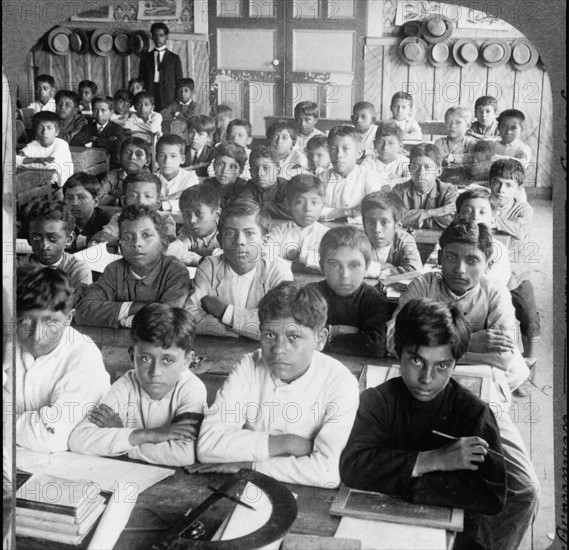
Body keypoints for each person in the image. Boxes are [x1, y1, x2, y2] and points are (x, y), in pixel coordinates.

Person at [340, 299, 507, 549]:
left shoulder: (474, 413)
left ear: (456, 362)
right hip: (379, 528)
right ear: (398, 351)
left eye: (442, 365)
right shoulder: (376, 400)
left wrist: (399, 479)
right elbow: (352, 466)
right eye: (416, 361)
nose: (426, 379)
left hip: (456, 538)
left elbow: (492, 494)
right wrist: (433, 460)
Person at [188, 281, 359, 488]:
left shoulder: (341, 383)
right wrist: (286, 443)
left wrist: (247, 465)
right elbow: (208, 446)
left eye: (293, 337)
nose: (278, 349)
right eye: (270, 335)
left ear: (320, 339)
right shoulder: (249, 366)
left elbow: (326, 472)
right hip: (245, 488)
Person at [69, 303, 206, 467]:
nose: (155, 372)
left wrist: (123, 439)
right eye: (146, 359)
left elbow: (185, 453)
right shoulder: (126, 385)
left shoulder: (191, 389)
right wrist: (147, 435)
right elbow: (78, 440)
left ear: (187, 361)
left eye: (168, 360)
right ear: (132, 355)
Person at [15, 268, 110, 452]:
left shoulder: (83, 355)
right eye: (25, 321)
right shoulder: (8, 343)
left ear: (68, 318)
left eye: (50, 322)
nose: (36, 335)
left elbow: (50, 438)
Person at [186, 200, 292, 340]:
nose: (239, 241)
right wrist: (240, 329)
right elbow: (190, 317)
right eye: (230, 233)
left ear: (264, 241)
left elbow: (280, 325)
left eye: (249, 233)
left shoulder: (278, 271)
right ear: (220, 239)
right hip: (219, 348)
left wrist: (225, 312)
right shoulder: (209, 267)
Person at [75, 205, 190, 328]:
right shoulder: (114, 270)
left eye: (146, 235)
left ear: (164, 244)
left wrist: (120, 314)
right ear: (120, 245)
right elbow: (83, 311)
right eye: (127, 237)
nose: (136, 243)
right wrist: (134, 307)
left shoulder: (175, 271)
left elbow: (168, 317)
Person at [489, 159, 539, 397]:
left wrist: (491, 219)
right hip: (492, 275)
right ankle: (503, 367)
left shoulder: (523, 209)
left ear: (518, 188)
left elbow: (520, 230)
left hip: (517, 274)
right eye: (497, 183)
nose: (501, 190)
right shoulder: (484, 203)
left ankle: (530, 363)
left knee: (528, 315)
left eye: (508, 185)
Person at [306, 225, 388, 357]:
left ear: (367, 266)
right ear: (322, 266)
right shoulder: (311, 294)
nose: (345, 275)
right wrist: (335, 331)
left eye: (354, 265)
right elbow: (300, 337)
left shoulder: (374, 299)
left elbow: (375, 347)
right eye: (334, 264)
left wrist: (325, 336)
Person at [320, 125, 388, 222]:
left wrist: (331, 213)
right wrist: (348, 212)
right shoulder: (322, 177)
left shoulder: (368, 176)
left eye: (345, 149)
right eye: (334, 149)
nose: (339, 155)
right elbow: (315, 211)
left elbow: (374, 209)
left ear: (359, 153)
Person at [22, 200, 92, 293]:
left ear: (69, 239)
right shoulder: (18, 267)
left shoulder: (78, 269)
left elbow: (81, 305)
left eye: (53, 238)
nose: (44, 245)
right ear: (28, 239)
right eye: (36, 237)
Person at [90, 172, 177, 246]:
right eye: (133, 196)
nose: (140, 201)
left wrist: (118, 242)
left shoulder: (166, 220)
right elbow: (101, 238)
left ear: (157, 204)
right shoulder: (119, 219)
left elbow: (166, 248)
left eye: (148, 196)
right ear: (124, 201)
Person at [266, 174, 329, 272]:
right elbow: (266, 257)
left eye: (314, 202)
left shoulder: (327, 235)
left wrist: (299, 256)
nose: (307, 208)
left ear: (322, 205)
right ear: (288, 204)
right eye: (299, 202)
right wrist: (304, 265)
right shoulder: (278, 232)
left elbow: (331, 264)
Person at [455, 187, 511, 288]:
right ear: (457, 217)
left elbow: (496, 286)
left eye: (482, 212)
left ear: (493, 221)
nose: (475, 217)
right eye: (468, 211)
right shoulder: (448, 244)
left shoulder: (499, 251)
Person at [393, 143, 458, 229]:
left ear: (438, 171)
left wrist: (418, 222)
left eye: (427, 167)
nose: (421, 173)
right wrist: (432, 212)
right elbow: (394, 218)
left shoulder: (449, 191)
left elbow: (449, 221)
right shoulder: (399, 190)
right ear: (409, 169)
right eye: (415, 167)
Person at [361, 190, 422, 279]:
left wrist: (376, 270)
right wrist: (386, 267)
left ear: (397, 225)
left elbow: (415, 270)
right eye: (370, 222)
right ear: (363, 224)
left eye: (384, 222)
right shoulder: (358, 240)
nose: (377, 229)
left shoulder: (405, 240)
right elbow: (350, 268)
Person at [166, 184, 221, 266]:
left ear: (216, 214)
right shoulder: (189, 232)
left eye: (199, 214)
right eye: (186, 215)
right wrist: (199, 260)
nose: (192, 220)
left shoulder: (227, 232)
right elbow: (171, 250)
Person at [15, 111, 74, 187]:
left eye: (49, 128)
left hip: (61, 187)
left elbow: (50, 167)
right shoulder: (32, 145)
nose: (44, 132)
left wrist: (25, 162)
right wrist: (35, 160)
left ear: (57, 132)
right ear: (35, 131)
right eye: (40, 128)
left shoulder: (62, 145)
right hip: (38, 184)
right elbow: (14, 161)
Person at [138, 22, 183, 111]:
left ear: (166, 37)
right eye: (155, 35)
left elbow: (179, 80)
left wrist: (176, 99)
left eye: (161, 35)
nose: (158, 38)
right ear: (152, 37)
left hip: (168, 96)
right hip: (150, 93)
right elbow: (141, 78)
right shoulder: (145, 57)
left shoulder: (174, 58)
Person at [71, 95, 125, 169]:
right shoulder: (88, 127)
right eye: (95, 110)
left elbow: (118, 147)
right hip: (90, 164)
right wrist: (107, 142)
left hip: (111, 166)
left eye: (103, 110)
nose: (99, 114)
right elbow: (75, 142)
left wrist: (95, 139)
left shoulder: (117, 129)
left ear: (111, 111)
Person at [63, 172, 112, 251]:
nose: (74, 203)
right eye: (69, 198)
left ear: (95, 201)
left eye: (81, 197)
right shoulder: (61, 221)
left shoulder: (106, 221)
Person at [241, 145, 291, 219]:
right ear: (250, 171)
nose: (259, 173)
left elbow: (288, 212)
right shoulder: (250, 186)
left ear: (278, 171)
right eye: (255, 169)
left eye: (265, 168)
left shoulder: (287, 187)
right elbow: (243, 207)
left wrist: (259, 207)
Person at [99, 137, 152, 206]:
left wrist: (115, 192)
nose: (132, 157)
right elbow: (98, 197)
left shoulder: (150, 179)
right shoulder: (113, 175)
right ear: (119, 156)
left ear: (147, 161)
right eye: (127, 152)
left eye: (138, 154)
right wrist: (117, 200)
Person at [155, 134, 199, 212]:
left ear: (182, 159)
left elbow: (191, 202)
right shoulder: (151, 179)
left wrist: (162, 205)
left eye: (173, 156)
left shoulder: (190, 178)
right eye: (162, 155)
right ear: (156, 158)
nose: (167, 161)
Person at [362, 121, 411, 187]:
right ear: (374, 144)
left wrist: (391, 181)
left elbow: (411, 180)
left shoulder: (404, 162)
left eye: (391, 143)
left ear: (400, 146)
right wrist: (397, 179)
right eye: (381, 142)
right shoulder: (369, 162)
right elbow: (363, 181)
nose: (385, 148)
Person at [202, 142, 249, 208]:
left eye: (231, 167)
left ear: (240, 170)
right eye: (220, 164)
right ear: (214, 165)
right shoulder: (207, 185)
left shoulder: (245, 189)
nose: (224, 171)